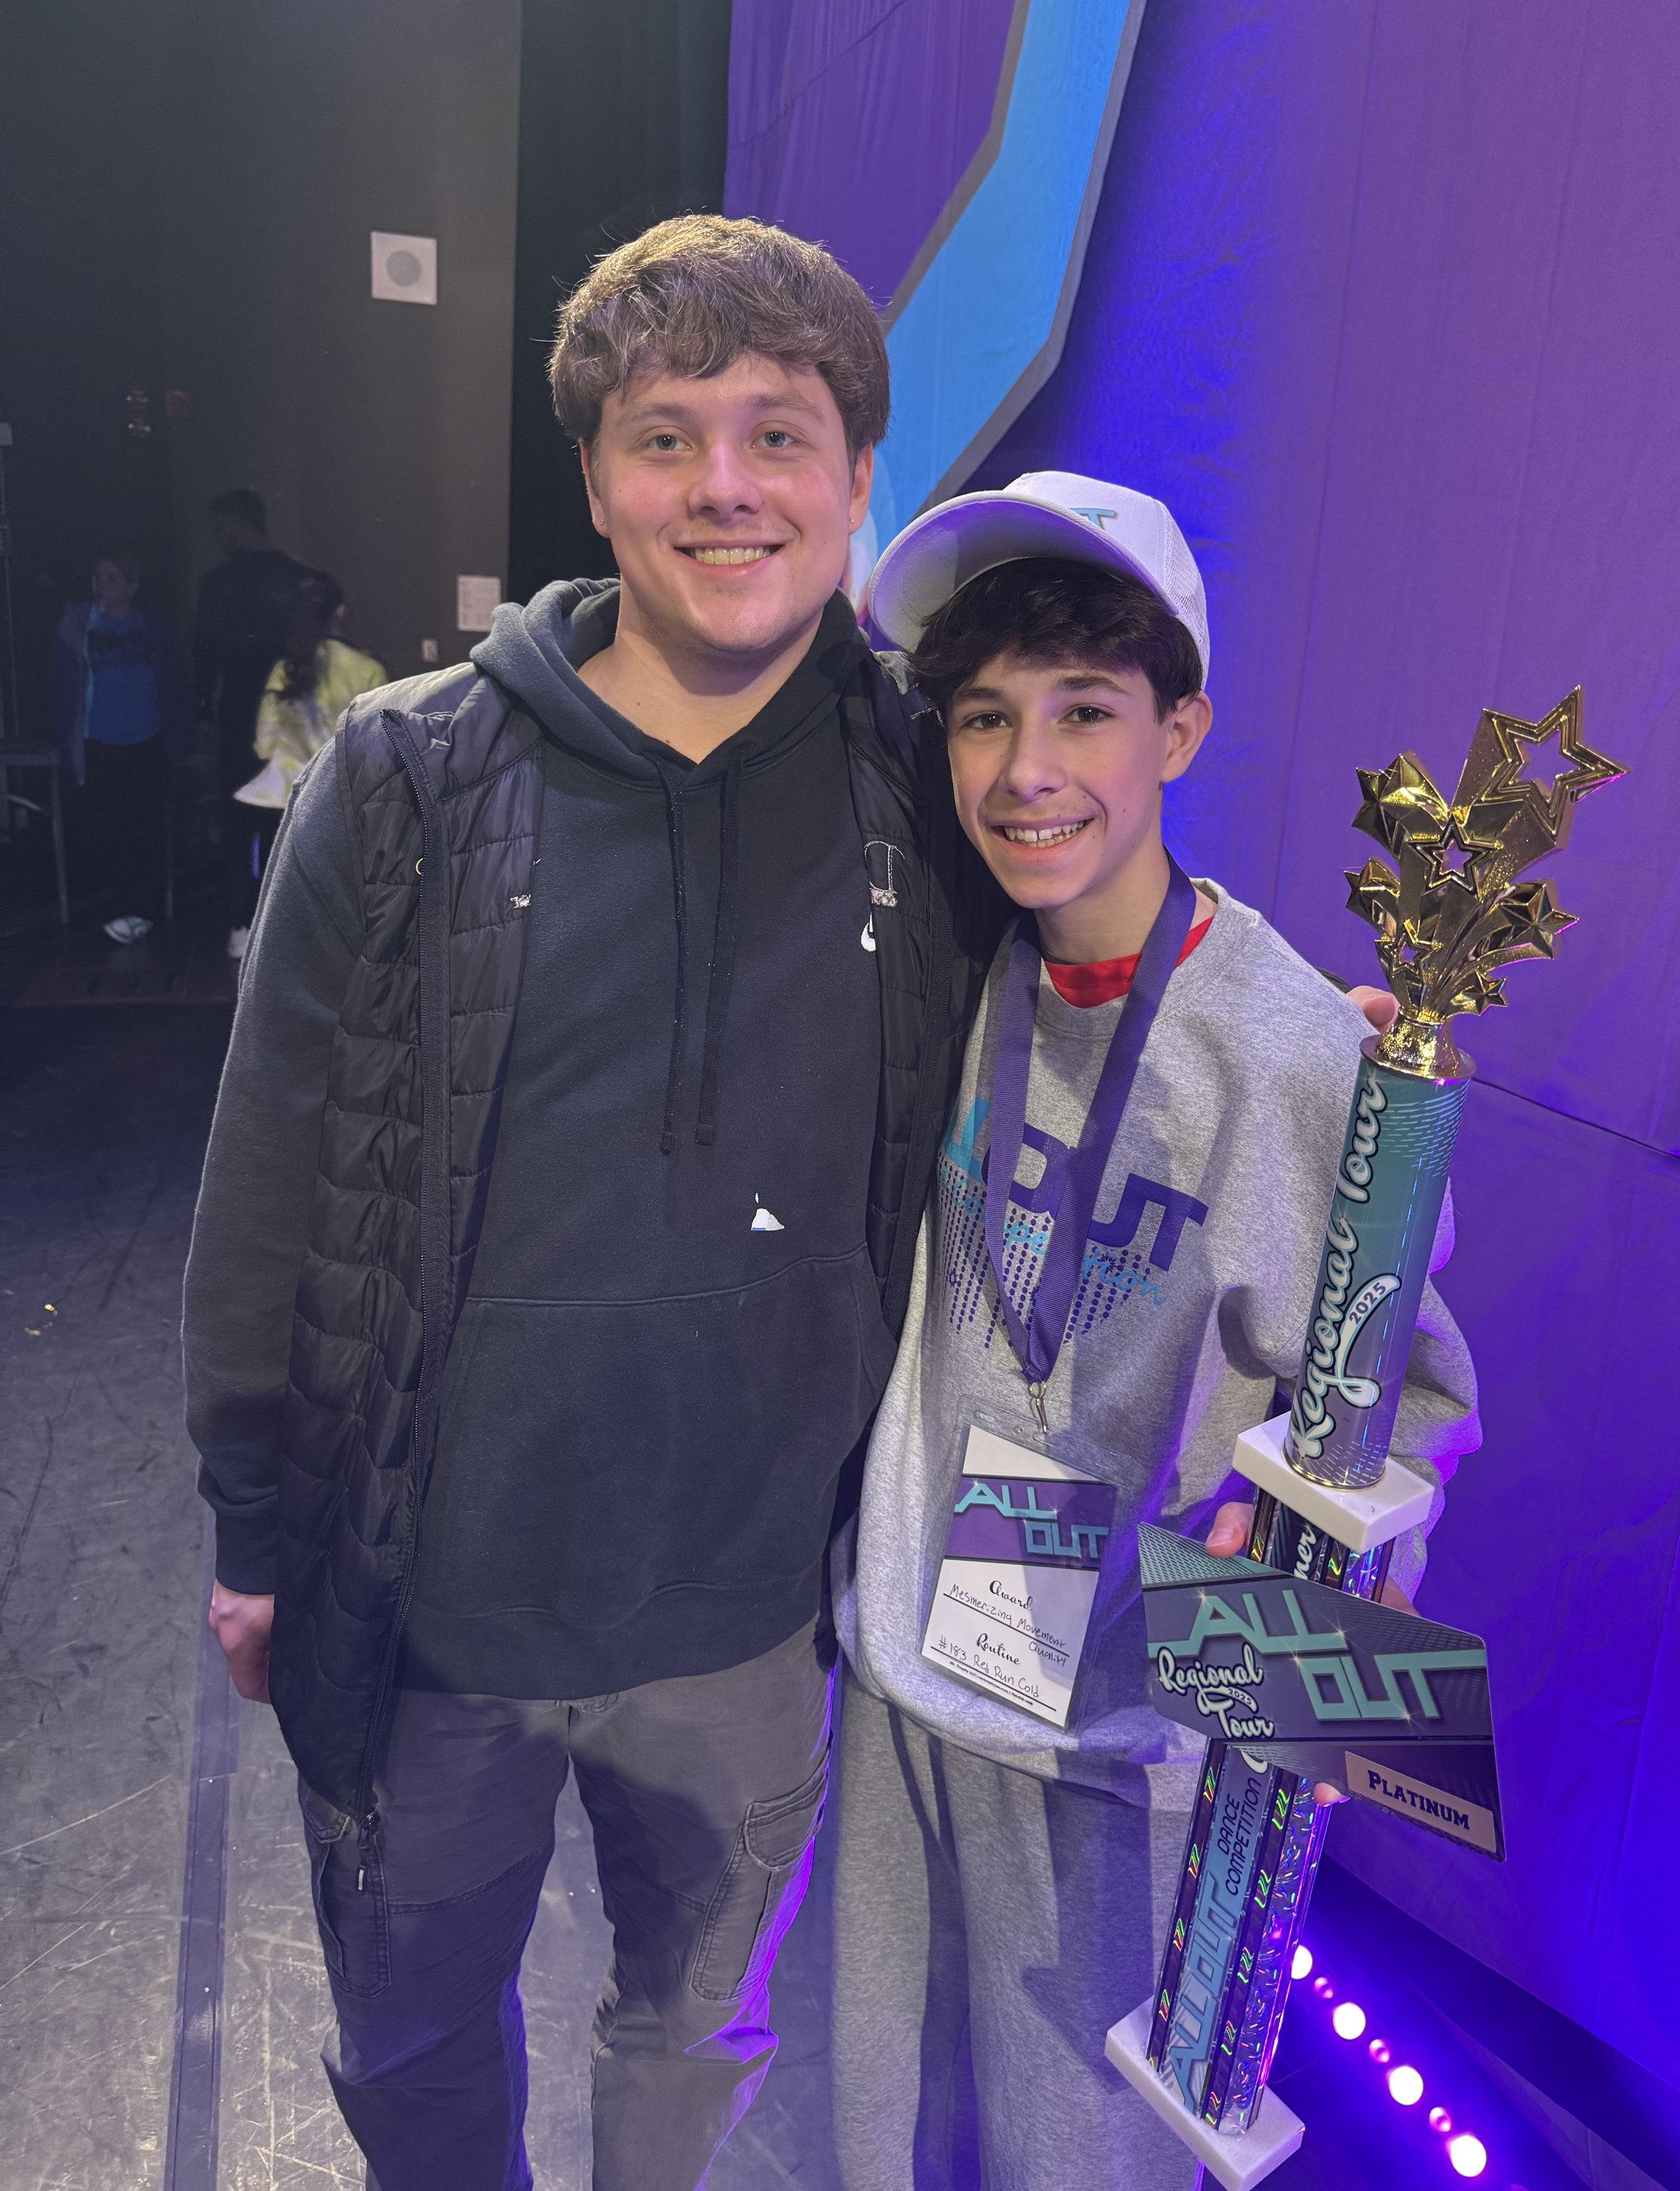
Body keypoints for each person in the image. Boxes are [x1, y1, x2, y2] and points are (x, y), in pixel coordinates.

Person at [183, 218, 1389, 2191]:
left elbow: (1092, 835)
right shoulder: (403, 775)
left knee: (700, 2061)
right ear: (597, 478)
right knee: (411, 2052)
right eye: (668, 437)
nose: (724, 484)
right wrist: (254, 1519)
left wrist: (1323, 1065)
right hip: (430, 1605)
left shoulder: (908, 778)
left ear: (853, 477)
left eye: (779, 432)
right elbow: (268, 1173)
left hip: (765, 1617)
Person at [829, 477, 1479, 2191]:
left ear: (1182, 727)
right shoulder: (961, 964)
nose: (1025, 771)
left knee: (1078, 2157)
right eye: (984, 717)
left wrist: (1330, 1637)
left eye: (1085, 713)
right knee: (879, 2127)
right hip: (911, 1669)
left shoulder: (1287, 1049)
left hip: (1125, 1748)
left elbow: (1407, 1399)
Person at [192, 487, 308, 956]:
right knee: (291, 813)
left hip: (242, 708)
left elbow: (206, 654)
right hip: (293, 710)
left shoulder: (220, 584)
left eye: (222, 527)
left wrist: (201, 709)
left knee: (239, 815)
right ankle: (292, 919)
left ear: (238, 524)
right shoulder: (299, 579)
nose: (219, 536)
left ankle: (241, 922)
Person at [53, 548, 189, 943]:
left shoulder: (152, 627)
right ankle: (124, 905)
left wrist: (175, 737)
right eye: (98, 576)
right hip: (99, 739)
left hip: (146, 738)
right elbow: (62, 685)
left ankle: (144, 908)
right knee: (111, 827)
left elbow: (173, 682)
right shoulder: (79, 623)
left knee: (145, 824)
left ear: (131, 586)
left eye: (112, 578)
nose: (101, 585)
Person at [235, 573, 388, 815]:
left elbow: (265, 743)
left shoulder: (285, 668)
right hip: (340, 800)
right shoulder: (369, 670)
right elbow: (375, 746)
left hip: (282, 797)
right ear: (339, 613)